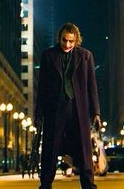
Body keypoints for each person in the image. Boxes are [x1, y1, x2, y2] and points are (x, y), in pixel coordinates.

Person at [34, 22, 102, 189]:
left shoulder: (86, 56)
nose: (67, 44)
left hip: (78, 108)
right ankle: (45, 185)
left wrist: (96, 113)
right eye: (64, 40)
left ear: (76, 40)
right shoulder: (48, 55)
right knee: (50, 150)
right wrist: (38, 115)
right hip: (54, 109)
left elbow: (91, 86)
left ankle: (88, 186)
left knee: (85, 151)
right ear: (59, 38)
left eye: (71, 41)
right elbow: (42, 87)